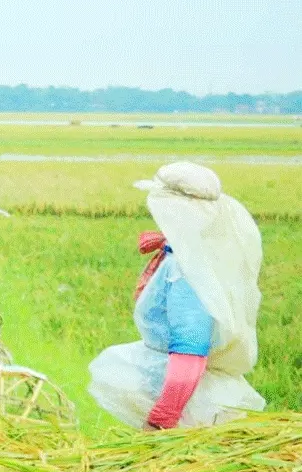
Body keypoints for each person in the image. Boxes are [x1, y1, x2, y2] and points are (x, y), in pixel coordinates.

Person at [88, 162, 266, 430]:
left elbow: (190, 350)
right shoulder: (202, 252)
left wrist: (164, 416)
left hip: (187, 401)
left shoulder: (188, 273)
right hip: (187, 390)